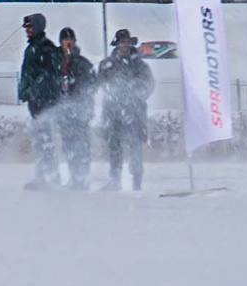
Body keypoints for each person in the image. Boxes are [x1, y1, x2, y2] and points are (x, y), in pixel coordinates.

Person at [97, 29, 153, 190]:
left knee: (135, 147)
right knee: (114, 147)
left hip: (135, 114)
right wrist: (112, 91)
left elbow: (149, 85)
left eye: (127, 42)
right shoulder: (107, 64)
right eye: (122, 42)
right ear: (117, 44)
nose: (125, 46)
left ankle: (137, 181)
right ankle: (115, 180)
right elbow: (101, 83)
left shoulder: (140, 65)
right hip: (113, 113)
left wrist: (135, 95)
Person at [16, 13, 60, 189]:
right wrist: (25, 92)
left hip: (44, 102)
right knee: (42, 140)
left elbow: (50, 75)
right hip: (35, 102)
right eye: (26, 27)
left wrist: (36, 92)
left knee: (45, 140)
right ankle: (47, 175)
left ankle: (47, 177)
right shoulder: (32, 48)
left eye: (30, 27)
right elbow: (27, 73)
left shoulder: (46, 48)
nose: (27, 30)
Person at [50, 27, 95, 188]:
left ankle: (82, 178)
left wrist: (75, 86)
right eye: (64, 39)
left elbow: (91, 86)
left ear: (74, 42)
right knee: (68, 145)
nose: (68, 43)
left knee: (82, 146)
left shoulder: (82, 63)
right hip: (64, 114)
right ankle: (73, 176)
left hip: (81, 113)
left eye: (70, 39)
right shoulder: (56, 63)